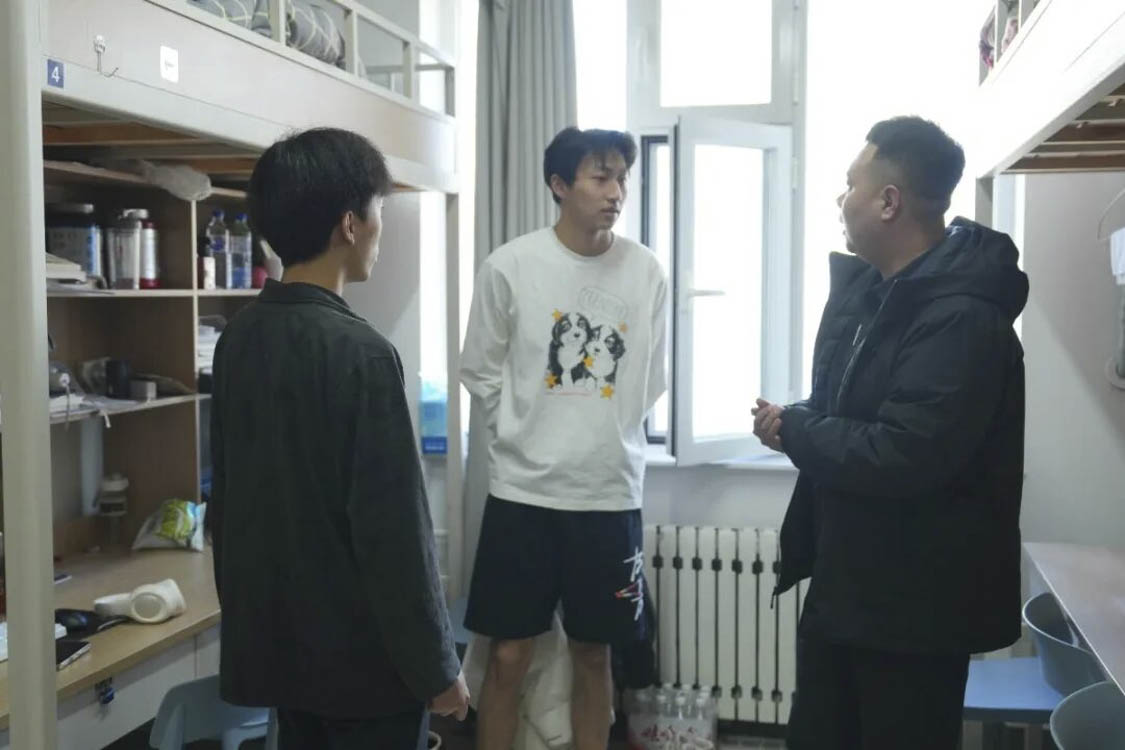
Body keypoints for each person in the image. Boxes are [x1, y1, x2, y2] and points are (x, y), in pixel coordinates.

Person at [754, 116, 1028, 750]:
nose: (840, 199)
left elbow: (902, 453)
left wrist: (800, 430)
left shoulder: (959, 318)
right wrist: (796, 418)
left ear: (888, 201)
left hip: (913, 612)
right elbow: (857, 410)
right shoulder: (879, 297)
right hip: (851, 587)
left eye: (851, 184)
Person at [208, 128, 469, 750]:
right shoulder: (363, 354)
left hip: (282, 657)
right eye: (378, 211)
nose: (380, 228)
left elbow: (231, 499)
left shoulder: (238, 339)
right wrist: (437, 669)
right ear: (350, 224)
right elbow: (394, 534)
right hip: (364, 665)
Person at [460, 126, 669, 750]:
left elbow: (650, 378)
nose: (616, 192)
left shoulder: (646, 271)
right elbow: (480, 370)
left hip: (606, 492)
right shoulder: (510, 266)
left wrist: (598, 432)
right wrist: (524, 431)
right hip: (523, 494)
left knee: (595, 655)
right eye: (600, 177)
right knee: (507, 655)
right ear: (559, 184)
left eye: (622, 178)